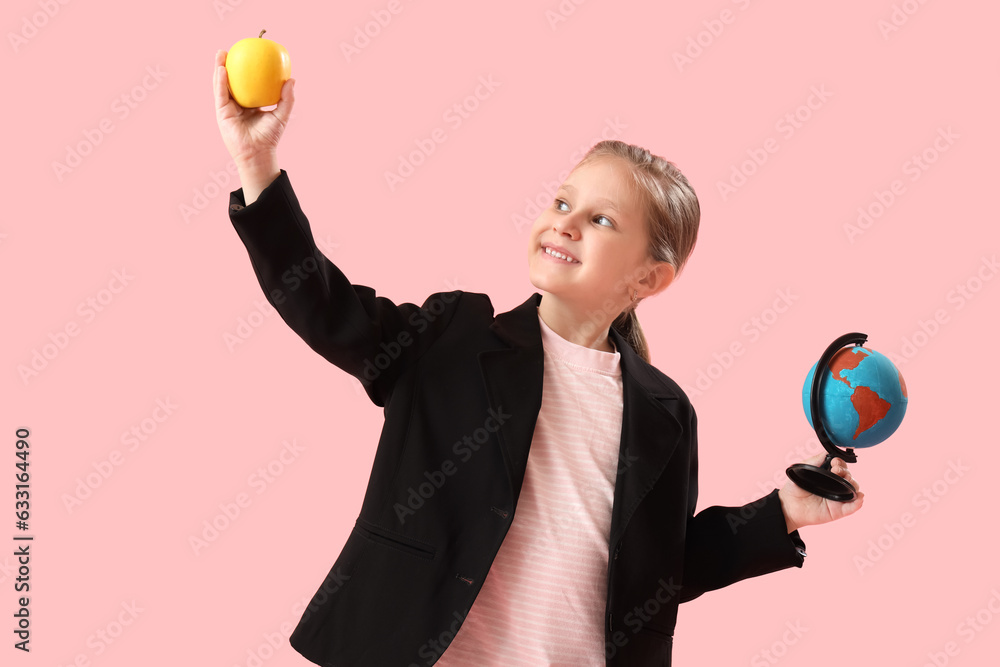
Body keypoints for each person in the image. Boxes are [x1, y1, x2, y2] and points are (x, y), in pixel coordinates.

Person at [213, 50, 865, 666]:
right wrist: (256, 162)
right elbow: (321, 304)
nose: (566, 222)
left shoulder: (665, 413)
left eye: (602, 220)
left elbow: (661, 569)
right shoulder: (453, 338)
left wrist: (780, 512)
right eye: (561, 202)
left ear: (649, 278)